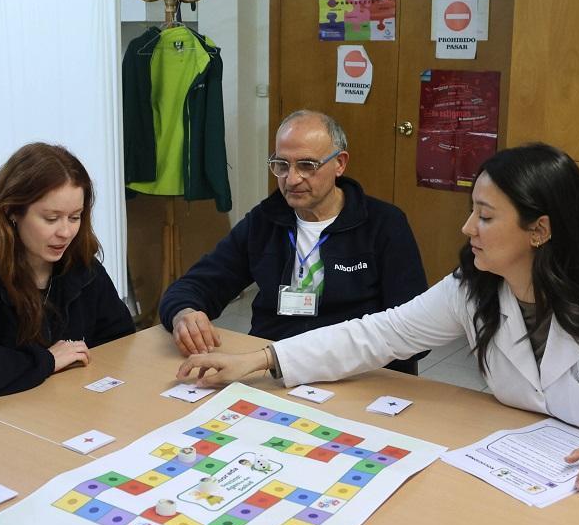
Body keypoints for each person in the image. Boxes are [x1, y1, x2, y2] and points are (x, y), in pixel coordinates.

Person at [177, 143, 579, 498]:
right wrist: (259, 359)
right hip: (535, 470)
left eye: (486, 217)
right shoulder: (476, 289)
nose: (468, 228)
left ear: (539, 231)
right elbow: (379, 333)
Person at [160, 109, 428, 372]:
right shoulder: (264, 221)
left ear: (340, 163)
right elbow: (195, 285)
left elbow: (414, 331)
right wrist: (184, 313)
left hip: (357, 368)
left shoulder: (383, 224)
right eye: (281, 165)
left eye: (307, 165)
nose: (292, 178)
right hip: (273, 365)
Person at [0, 143, 134, 405]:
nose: (65, 232)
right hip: (0, 423)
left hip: (68, 411)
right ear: (12, 212)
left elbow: (120, 341)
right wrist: (45, 360)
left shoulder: (81, 267)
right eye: (51, 218)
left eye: (75, 217)